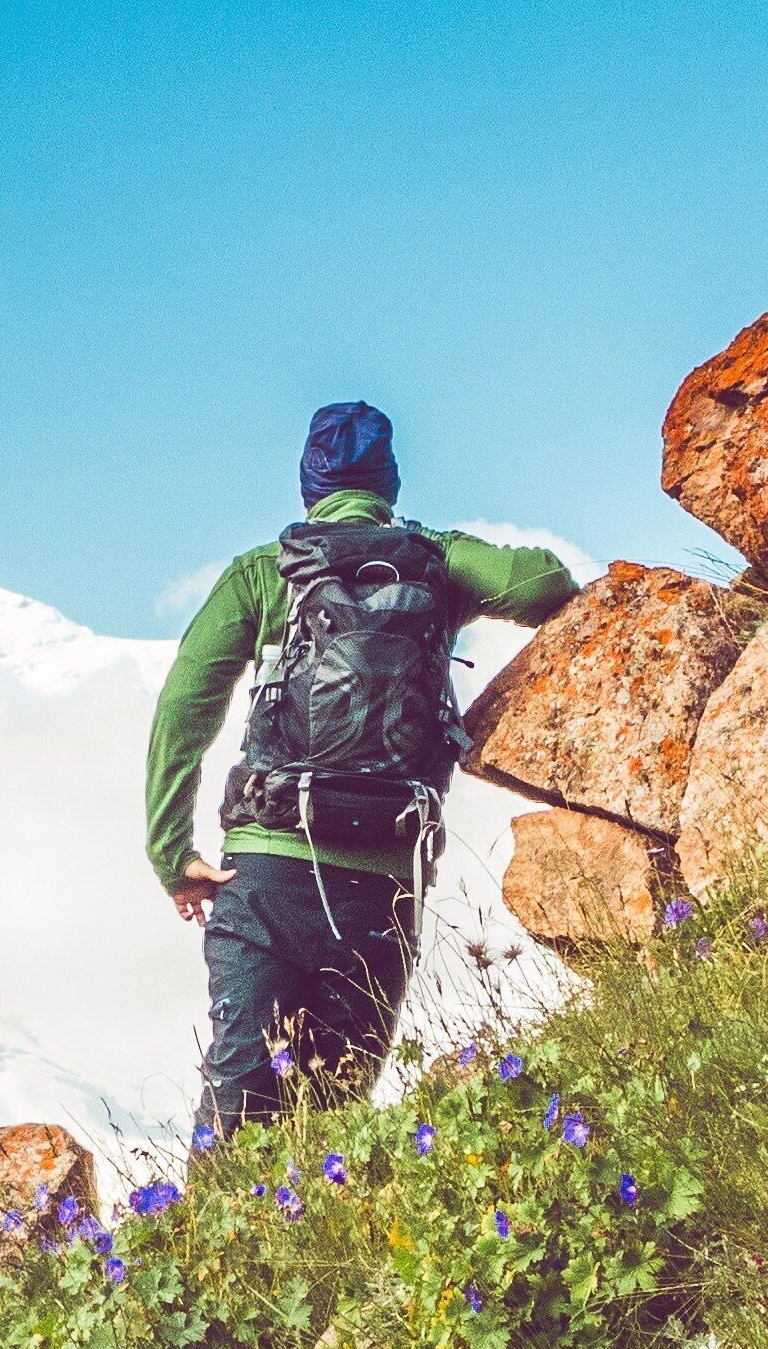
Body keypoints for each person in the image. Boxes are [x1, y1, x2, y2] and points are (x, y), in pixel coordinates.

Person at [145, 400, 577, 1141]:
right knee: (336, 1122)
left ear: (308, 484)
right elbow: (544, 586)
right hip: (383, 879)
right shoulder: (433, 562)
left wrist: (170, 853)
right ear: (391, 480)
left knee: (240, 1097)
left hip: (267, 874)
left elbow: (186, 703)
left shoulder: (265, 574)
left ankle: (217, 1250)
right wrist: (443, 555)